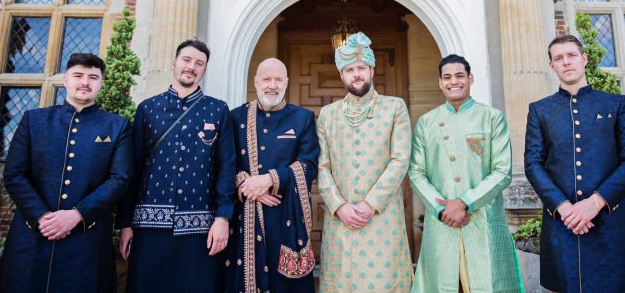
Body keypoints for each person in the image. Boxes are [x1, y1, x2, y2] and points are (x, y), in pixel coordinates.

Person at [524, 34, 625, 293]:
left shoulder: (616, 104)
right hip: (563, 223)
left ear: (584, 59)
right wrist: (565, 209)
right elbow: (533, 164)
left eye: (571, 55)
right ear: (552, 65)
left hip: (610, 220)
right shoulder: (540, 110)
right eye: (558, 58)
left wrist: (594, 204)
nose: (566, 62)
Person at [0, 53, 132, 293]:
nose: (85, 82)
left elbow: (119, 178)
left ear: (101, 83)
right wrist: (41, 216)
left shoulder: (116, 125)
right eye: (78, 75)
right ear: (65, 79)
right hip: (33, 234)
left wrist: (76, 215)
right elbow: (14, 174)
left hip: (86, 239)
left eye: (93, 77)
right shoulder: (34, 120)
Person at [117, 39, 235, 293]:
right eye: (187, 60)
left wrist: (223, 218)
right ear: (174, 63)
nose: (192, 67)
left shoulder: (218, 110)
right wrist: (125, 224)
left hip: (201, 227)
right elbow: (133, 169)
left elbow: (227, 167)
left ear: (204, 70)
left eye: (199, 63)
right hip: (149, 227)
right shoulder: (147, 109)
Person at [409, 54, 523, 293]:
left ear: (470, 78)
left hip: (482, 222)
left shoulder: (492, 118)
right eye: (447, 77)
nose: (454, 82)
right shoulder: (426, 123)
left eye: (460, 76)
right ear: (440, 82)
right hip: (441, 223)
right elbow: (416, 173)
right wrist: (443, 210)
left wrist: (465, 203)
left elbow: (502, 171)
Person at [316, 32, 413, 293]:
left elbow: (400, 159)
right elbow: (321, 167)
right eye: (349, 70)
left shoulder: (395, 107)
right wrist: (338, 206)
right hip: (341, 219)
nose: (356, 74)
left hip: (381, 218)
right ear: (341, 75)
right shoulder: (328, 115)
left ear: (371, 69)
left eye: (361, 68)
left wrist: (371, 205)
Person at [228, 58, 320, 293]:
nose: (272, 85)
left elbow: (309, 165)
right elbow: (227, 164)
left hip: (285, 218)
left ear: (287, 83)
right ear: (256, 81)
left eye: (278, 79)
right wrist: (250, 189)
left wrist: (269, 179)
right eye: (267, 79)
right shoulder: (236, 117)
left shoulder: (303, 118)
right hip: (245, 218)